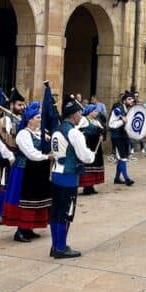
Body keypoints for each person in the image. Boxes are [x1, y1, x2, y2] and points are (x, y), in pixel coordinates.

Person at [49, 101, 97, 258]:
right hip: (68, 176)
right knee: (65, 212)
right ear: (74, 114)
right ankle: (61, 248)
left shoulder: (57, 130)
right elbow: (84, 156)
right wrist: (91, 155)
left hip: (56, 173)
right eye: (79, 114)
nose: (80, 116)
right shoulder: (74, 133)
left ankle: (56, 245)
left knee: (56, 212)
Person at [2, 101, 53, 242]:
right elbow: (31, 153)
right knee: (24, 199)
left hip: (37, 171)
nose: (40, 119)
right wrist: (46, 156)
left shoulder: (39, 133)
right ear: (30, 119)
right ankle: (20, 230)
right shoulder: (23, 134)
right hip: (24, 171)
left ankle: (29, 228)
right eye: (38, 117)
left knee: (35, 199)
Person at [0, 89, 25, 225]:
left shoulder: (21, 119)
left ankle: (10, 213)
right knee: (4, 185)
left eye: (23, 105)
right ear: (11, 105)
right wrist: (10, 157)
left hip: (18, 157)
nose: (21, 108)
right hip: (7, 159)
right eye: (19, 105)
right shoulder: (5, 119)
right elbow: (3, 141)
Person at [108, 91, 135, 186]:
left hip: (124, 136)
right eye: (129, 99)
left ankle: (117, 178)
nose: (132, 101)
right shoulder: (117, 110)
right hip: (117, 136)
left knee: (122, 157)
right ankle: (127, 179)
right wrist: (122, 122)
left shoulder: (127, 111)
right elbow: (111, 124)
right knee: (122, 157)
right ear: (124, 101)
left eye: (132, 99)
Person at [77, 104, 105, 195]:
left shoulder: (96, 121)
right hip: (88, 145)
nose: (97, 113)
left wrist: (101, 134)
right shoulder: (84, 120)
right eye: (95, 111)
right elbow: (77, 129)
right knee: (87, 164)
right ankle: (87, 186)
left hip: (95, 145)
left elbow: (101, 129)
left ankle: (91, 185)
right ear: (90, 111)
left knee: (95, 164)